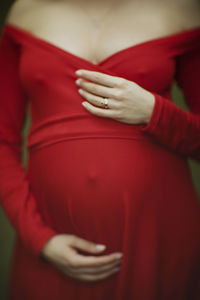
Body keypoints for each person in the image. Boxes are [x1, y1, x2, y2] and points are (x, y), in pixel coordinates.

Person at [0, 0, 200, 299]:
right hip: (50, 242)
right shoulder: (26, 10)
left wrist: (154, 112)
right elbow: (2, 140)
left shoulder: (183, 10)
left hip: (158, 237)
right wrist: (39, 239)